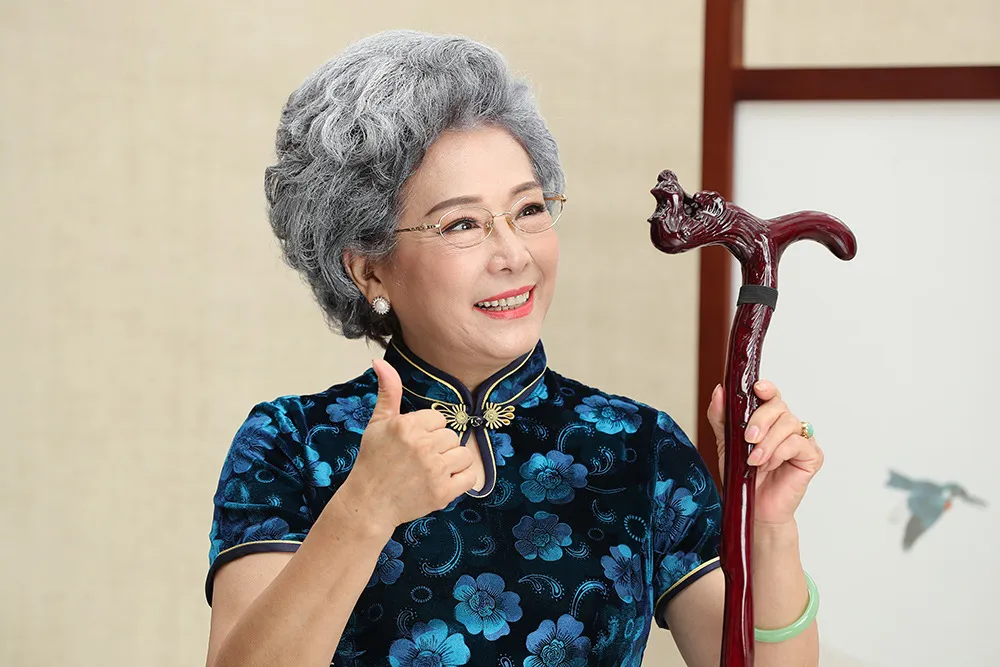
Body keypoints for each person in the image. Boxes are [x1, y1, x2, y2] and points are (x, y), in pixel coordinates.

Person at [204, 30, 824, 667]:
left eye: (528, 209)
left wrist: (767, 529)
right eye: (462, 223)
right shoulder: (290, 443)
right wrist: (364, 510)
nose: (514, 254)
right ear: (369, 270)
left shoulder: (639, 447)